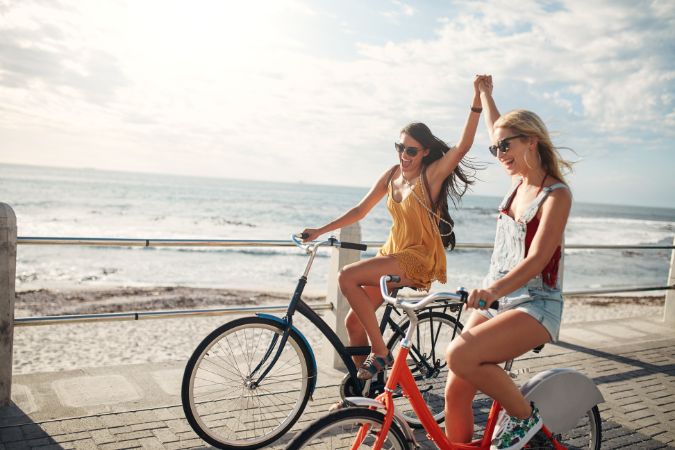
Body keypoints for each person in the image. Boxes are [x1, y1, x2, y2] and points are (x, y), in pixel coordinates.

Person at [301, 77, 484, 381]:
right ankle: (365, 394)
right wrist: (320, 230)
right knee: (353, 324)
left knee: (346, 276)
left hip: (417, 257)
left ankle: (381, 353)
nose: (404, 155)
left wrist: (477, 97)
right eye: (400, 147)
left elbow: (463, 146)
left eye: (411, 150)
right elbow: (360, 210)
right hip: (392, 254)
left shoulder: (431, 176)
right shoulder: (391, 175)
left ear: (425, 152)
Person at [444, 75, 573, 450]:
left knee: (459, 354)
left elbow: (538, 260)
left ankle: (525, 418)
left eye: (506, 147)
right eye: (495, 149)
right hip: (498, 300)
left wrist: (492, 290)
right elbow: (497, 128)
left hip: (536, 305)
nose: (499, 154)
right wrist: (485, 94)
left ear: (532, 141)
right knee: (455, 388)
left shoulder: (555, 195)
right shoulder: (517, 181)